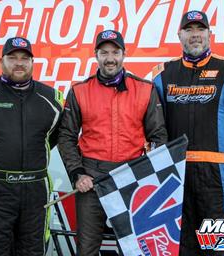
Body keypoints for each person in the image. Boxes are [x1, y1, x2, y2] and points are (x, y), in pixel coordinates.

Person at [58, 29, 168, 255]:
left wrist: (147, 174)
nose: (110, 58)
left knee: (136, 249)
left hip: (131, 178)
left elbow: (158, 136)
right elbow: (66, 136)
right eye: (104, 52)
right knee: (86, 249)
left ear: (124, 54)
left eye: (115, 52)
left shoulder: (145, 89)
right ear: (96, 55)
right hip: (92, 178)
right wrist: (77, 174)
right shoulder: (79, 91)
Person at [0, 37, 63, 256]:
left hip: (35, 189)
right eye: (12, 58)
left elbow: (54, 137)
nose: (18, 63)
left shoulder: (53, 99)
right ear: (1, 61)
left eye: (24, 58)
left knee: (34, 250)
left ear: (33, 62)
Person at [152, 10, 224, 256]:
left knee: (215, 249)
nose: (195, 35)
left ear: (209, 34)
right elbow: (150, 125)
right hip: (175, 178)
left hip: (216, 181)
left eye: (200, 30)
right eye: (189, 30)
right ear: (179, 35)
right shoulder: (163, 74)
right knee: (179, 248)